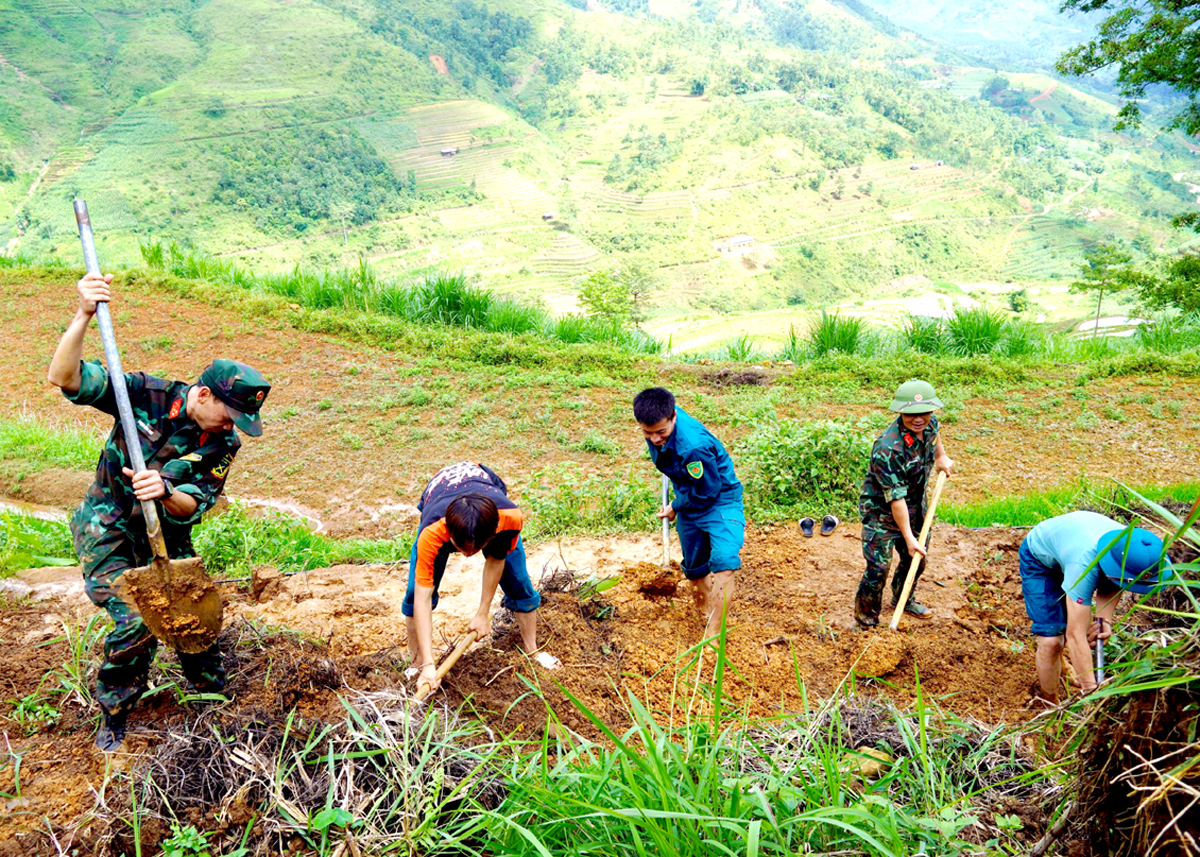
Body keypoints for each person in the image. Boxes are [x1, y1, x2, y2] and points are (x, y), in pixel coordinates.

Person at [47, 271, 270, 751]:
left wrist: (165, 488)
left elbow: (196, 503)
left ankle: (210, 692)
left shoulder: (223, 442)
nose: (229, 428)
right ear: (204, 395)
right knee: (135, 622)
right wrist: (84, 313)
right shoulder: (143, 394)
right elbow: (64, 377)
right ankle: (116, 710)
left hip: (166, 534)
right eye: (228, 415)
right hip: (106, 524)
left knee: (194, 612)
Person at [403, 461, 559, 694]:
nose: (467, 556)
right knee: (415, 594)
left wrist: (482, 614)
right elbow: (423, 598)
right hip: (439, 493)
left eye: (476, 550)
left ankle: (532, 651)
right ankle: (418, 664)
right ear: (449, 535)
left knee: (519, 582)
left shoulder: (509, 519)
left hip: (486, 493)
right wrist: (429, 665)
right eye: (460, 548)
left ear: (493, 533)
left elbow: (496, 560)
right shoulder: (433, 531)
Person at [1020, 511, 1171, 703]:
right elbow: (1076, 636)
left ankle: (1063, 665)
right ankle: (1050, 704)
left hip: (1075, 547)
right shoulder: (1084, 564)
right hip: (1040, 560)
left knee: (1079, 624)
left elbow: (1117, 582)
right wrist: (1092, 693)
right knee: (1052, 641)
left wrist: (1104, 620)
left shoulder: (1129, 550)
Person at [633, 387, 746, 642]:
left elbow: (708, 489)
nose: (654, 439)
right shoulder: (656, 424)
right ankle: (704, 612)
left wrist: (675, 506)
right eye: (647, 433)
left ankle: (714, 632)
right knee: (695, 569)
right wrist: (680, 501)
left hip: (719, 498)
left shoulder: (693, 447)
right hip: (689, 494)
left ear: (673, 416)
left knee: (725, 563)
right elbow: (662, 446)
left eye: (661, 432)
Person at [854, 379, 954, 628]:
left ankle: (904, 598)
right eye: (911, 414)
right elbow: (895, 500)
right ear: (900, 411)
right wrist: (908, 538)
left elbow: (935, 436)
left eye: (924, 412)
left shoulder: (930, 425)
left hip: (915, 506)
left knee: (916, 560)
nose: (918, 419)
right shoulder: (888, 449)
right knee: (878, 568)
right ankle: (866, 620)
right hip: (882, 512)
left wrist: (941, 457)